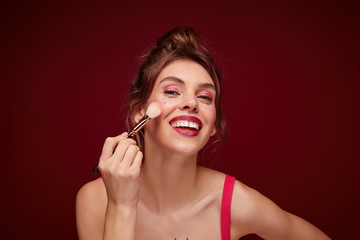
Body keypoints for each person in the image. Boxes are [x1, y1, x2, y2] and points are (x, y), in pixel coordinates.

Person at [76, 27, 330, 240]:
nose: (191, 103)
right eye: (172, 91)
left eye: (205, 97)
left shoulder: (235, 202)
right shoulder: (95, 200)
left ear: (213, 127)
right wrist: (121, 207)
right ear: (139, 112)